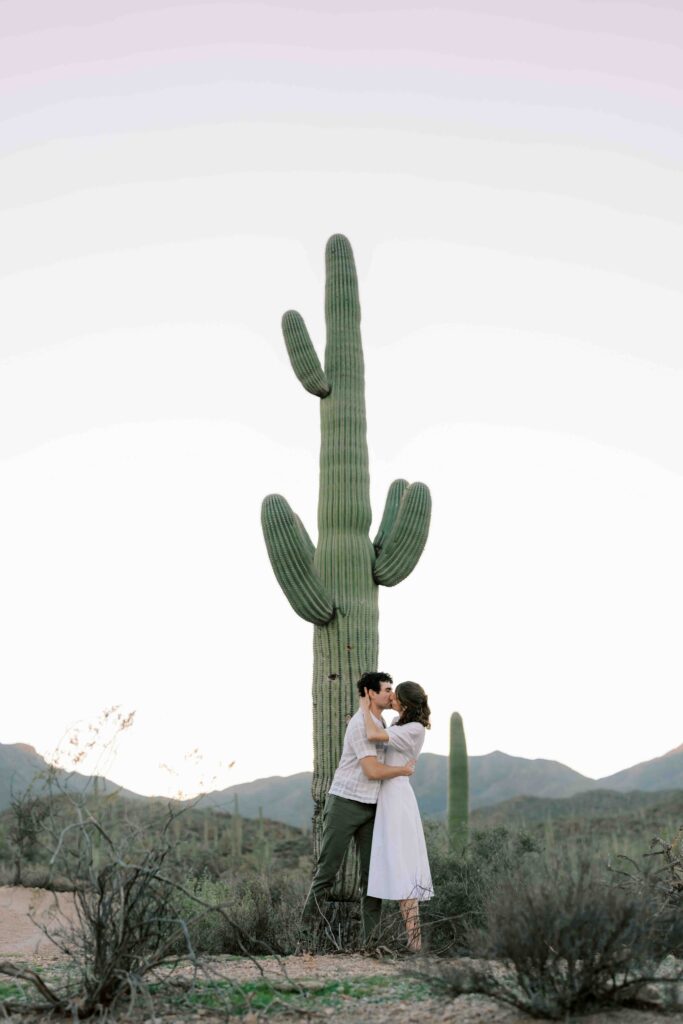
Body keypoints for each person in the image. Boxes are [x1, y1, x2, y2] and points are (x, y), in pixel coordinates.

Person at [301, 671, 416, 945]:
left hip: (371, 808)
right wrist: (402, 770)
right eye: (387, 689)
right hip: (345, 803)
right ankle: (304, 940)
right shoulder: (358, 724)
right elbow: (372, 770)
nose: (391, 694)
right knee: (327, 873)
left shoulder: (381, 721)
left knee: (372, 878)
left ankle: (371, 944)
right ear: (370, 693)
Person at [360, 681, 433, 952]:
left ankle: (415, 944)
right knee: (393, 865)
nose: (391, 697)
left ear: (405, 702)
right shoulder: (397, 723)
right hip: (387, 796)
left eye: (395, 695)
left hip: (398, 799)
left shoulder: (413, 730)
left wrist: (364, 705)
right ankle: (411, 943)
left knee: (404, 868)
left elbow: (372, 734)